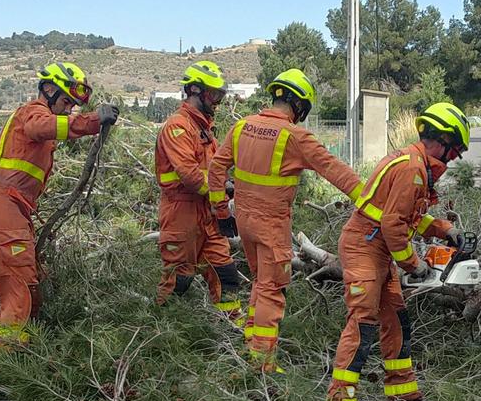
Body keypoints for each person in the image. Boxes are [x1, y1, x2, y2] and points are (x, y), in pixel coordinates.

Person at [206, 67, 362, 371]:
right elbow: (336, 170)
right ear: (300, 104)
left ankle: (252, 346)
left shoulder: (242, 127)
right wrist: (371, 201)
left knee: (259, 284)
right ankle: (262, 363)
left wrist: (222, 212)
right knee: (271, 289)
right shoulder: (296, 136)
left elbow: (215, 170)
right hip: (272, 226)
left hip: (245, 224)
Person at [326, 101, 468, 401]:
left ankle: (402, 390)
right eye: (455, 150)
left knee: (397, 319)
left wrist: (446, 230)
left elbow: (409, 218)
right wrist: (414, 265)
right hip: (365, 246)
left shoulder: (415, 164)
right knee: (362, 325)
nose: (454, 158)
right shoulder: (412, 170)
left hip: (378, 248)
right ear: (442, 140)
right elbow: (393, 225)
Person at [0, 62, 119, 350]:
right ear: (48, 89)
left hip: (5, 208)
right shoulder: (32, 113)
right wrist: (93, 121)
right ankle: (7, 375)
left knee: (28, 284)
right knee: (19, 290)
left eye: (73, 105)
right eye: (65, 101)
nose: (67, 109)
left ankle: (25, 356)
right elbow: (44, 126)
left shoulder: (34, 124)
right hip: (0, 206)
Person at [154, 60, 244, 322]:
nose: (217, 101)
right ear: (195, 91)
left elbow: (215, 172)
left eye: (220, 95)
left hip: (207, 215)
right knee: (178, 280)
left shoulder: (204, 129)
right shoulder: (177, 127)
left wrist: (227, 194)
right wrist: (224, 187)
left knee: (225, 273)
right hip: (181, 214)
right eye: (213, 94)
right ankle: (159, 334)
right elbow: (192, 176)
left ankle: (232, 327)